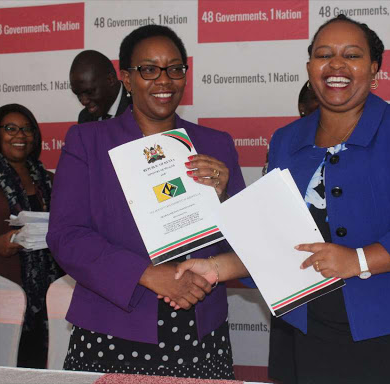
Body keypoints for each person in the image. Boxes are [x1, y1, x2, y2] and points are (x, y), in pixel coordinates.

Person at [174, 14, 390, 384]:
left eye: (353, 55)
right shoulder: (286, 139)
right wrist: (216, 268)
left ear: (375, 68)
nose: (337, 65)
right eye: (324, 54)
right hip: (309, 333)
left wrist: (358, 259)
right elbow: (277, 240)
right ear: (310, 67)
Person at [46, 25, 245, 379]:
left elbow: (246, 245)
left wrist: (223, 196)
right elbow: (67, 236)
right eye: (148, 69)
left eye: (174, 68)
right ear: (126, 78)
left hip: (199, 333)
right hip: (113, 327)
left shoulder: (216, 144)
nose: (163, 80)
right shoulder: (88, 142)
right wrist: (150, 275)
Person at [0, 104, 63, 368]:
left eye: (26, 129)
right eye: (10, 129)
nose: (19, 135)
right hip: (5, 290)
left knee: (42, 365)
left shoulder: (48, 179)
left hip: (48, 291)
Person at [70, 50, 131, 123]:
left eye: (89, 92)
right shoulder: (84, 117)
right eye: (78, 94)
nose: (84, 101)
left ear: (110, 80)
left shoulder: (141, 108)